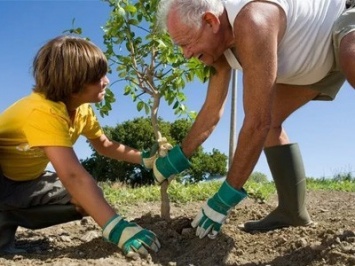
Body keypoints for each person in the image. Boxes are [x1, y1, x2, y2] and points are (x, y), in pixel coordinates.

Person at [153, 0, 355, 239]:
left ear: (211, 21)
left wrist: (224, 198)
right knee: (272, 123)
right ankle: (292, 211)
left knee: (351, 56)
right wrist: (178, 156)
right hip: (315, 65)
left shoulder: (253, 19)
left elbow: (257, 122)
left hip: (342, 19)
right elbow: (211, 112)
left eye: (187, 43)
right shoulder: (218, 49)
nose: (186, 55)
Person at [0, 35, 160, 257]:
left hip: (27, 182)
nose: (107, 81)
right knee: (85, 191)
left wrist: (144, 159)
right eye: (98, 77)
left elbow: (103, 145)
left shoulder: (82, 110)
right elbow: (72, 176)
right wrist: (116, 228)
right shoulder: (42, 111)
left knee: (89, 200)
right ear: (73, 85)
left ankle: (7, 215)